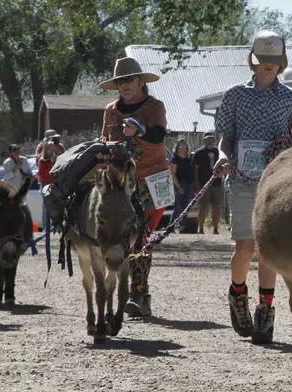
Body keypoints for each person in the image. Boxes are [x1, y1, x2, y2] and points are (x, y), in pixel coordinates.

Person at [213, 30, 292, 345]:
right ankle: (238, 293)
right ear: (252, 60)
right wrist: (224, 156)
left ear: (282, 62)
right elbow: (225, 135)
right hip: (242, 180)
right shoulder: (234, 95)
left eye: (273, 60)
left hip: (278, 186)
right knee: (245, 247)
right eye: (262, 59)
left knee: (267, 250)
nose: (268, 66)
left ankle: (265, 309)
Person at [100, 56, 168, 318]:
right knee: (118, 235)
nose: (125, 85)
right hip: (119, 183)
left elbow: (159, 135)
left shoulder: (154, 107)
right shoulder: (110, 110)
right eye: (121, 82)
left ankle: (138, 293)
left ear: (141, 81)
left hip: (153, 179)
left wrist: (138, 130)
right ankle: (128, 292)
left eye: (130, 80)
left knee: (143, 236)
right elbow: (104, 141)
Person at [193, 131, 222, 234]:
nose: (209, 141)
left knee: (216, 207)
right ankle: (200, 228)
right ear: (204, 140)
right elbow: (195, 170)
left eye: (211, 139)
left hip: (217, 183)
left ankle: (215, 228)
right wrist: (197, 185)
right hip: (203, 184)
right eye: (207, 139)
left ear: (214, 140)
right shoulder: (198, 153)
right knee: (203, 207)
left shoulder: (218, 152)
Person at [169, 138, 194, 229]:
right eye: (180, 146)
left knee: (187, 207)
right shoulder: (174, 160)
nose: (182, 148)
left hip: (190, 185)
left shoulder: (189, 160)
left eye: (184, 146)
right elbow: (172, 174)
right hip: (179, 185)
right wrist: (178, 186)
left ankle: (182, 226)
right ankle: (171, 227)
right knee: (178, 206)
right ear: (177, 148)